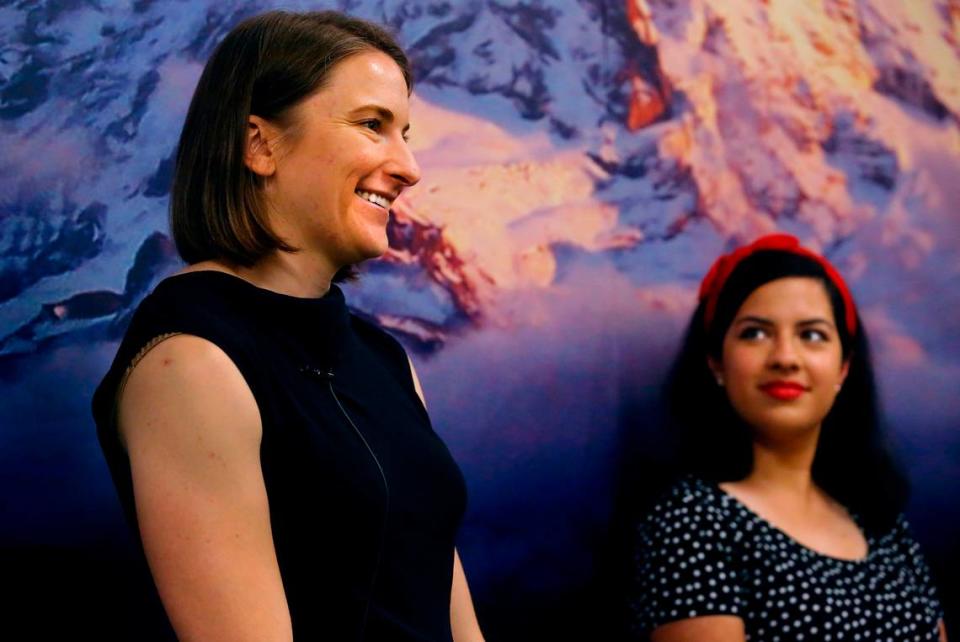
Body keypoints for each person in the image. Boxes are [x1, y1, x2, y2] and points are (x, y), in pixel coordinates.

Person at [92, 10, 484, 641]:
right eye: (372, 125)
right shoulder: (189, 362)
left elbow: (442, 605)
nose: (408, 166)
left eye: (404, 132)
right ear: (260, 145)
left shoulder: (384, 358)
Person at [627, 234, 947, 641]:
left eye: (811, 335)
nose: (785, 357)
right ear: (715, 363)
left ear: (843, 369)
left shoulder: (882, 525)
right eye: (755, 334)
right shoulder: (693, 522)